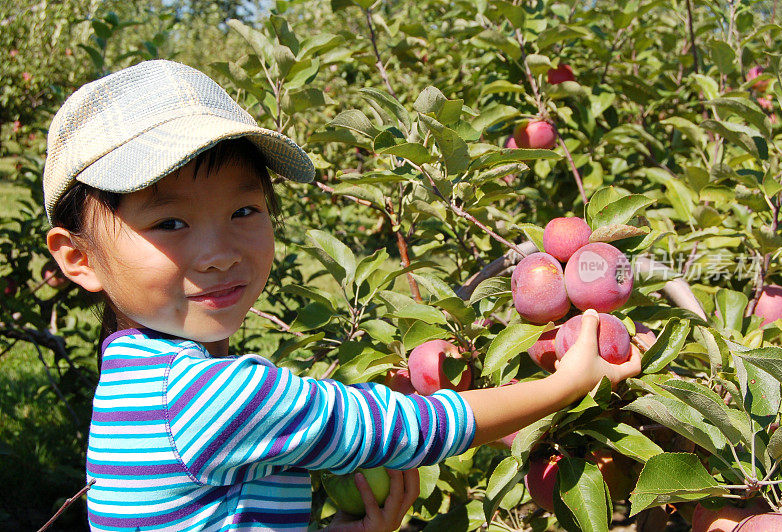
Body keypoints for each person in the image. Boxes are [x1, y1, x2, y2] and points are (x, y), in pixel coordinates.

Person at [43, 59, 641, 532]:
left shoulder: (131, 376)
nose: (220, 251)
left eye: (244, 209)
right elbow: (410, 426)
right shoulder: (206, 396)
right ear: (78, 258)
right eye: (170, 223)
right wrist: (565, 385)